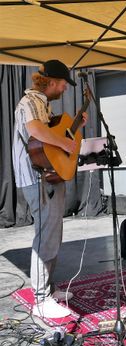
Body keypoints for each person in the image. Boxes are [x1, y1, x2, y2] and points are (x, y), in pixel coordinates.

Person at [12, 60, 88, 318]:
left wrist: (76, 126)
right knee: (45, 235)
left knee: (52, 233)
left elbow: (51, 139)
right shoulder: (30, 102)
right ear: (53, 81)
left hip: (47, 175)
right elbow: (35, 130)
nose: (66, 88)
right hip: (35, 177)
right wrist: (65, 145)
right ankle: (40, 299)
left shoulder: (44, 105)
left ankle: (49, 288)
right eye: (64, 83)